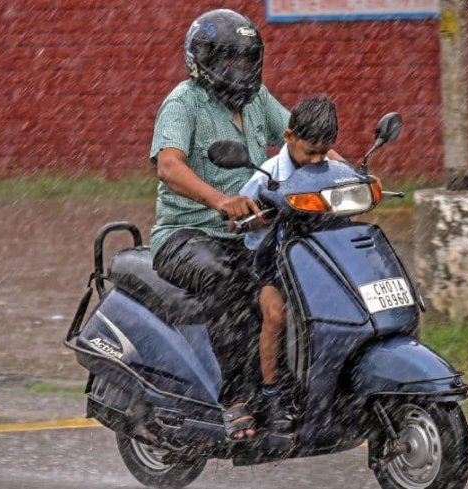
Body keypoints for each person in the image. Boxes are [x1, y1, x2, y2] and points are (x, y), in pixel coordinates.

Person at [148, 9, 290, 441]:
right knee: (230, 282)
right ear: (201, 59)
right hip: (185, 235)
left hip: (247, 231)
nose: (240, 69)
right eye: (229, 58)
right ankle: (237, 399)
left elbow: (298, 139)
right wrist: (219, 200)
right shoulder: (183, 102)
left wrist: (348, 176)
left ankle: (283, 389)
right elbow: (169, 166)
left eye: (248, 59)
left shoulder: (258, 99)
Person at [239, 95, 339, 432]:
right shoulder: (267, 176)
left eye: (323, 153)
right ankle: (271, 393)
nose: (316, 160)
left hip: (314, 257)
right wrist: (255, 216)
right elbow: (236, 222)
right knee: (276, 314)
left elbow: (347, 180)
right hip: (271, 260)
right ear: (288, 137)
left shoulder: (329, 167)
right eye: (309, 152)